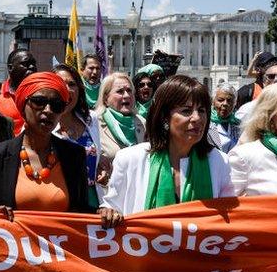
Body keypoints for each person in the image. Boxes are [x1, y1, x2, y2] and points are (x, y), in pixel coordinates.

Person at [99, 75, 234, 225]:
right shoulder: (129, 159)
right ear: (164, 117)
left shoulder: (219, 162)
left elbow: (228, 219)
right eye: (186, 111)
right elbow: (111, 206)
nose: (197, 118)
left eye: (201, 110)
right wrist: (108, 212)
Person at [0, 72, 91, 213]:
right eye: (39, 102)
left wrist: (104, 213)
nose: (48, 110)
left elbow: (83, 212)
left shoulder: (75, 155)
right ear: (23, 106)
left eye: (57, 105)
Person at [52, 64, 102, 207]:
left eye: (72, 84)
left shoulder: (91, 119)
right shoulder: (42, 125)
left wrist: (101, 166)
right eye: (60, 84)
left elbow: (97, 154)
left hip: (93, 200)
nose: (67, 90)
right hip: (60, 203)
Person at [95, 72, 146, 185]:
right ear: (105, 98)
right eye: (120, 91)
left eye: (129, 91)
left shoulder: (142, 123)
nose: (127, 95)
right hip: (107, 192)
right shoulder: (95, 124)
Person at [0, 49, 37, 134]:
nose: (32, 67)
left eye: (34, 64)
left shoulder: (41, 95)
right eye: (26, 64)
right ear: (10, 68)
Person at [208, 83, 241, 152]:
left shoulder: (239, 125)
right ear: (213, 102)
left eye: (229, 101)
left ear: (234, 103)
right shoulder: (206, 124)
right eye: (220, 100)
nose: (225, 104)